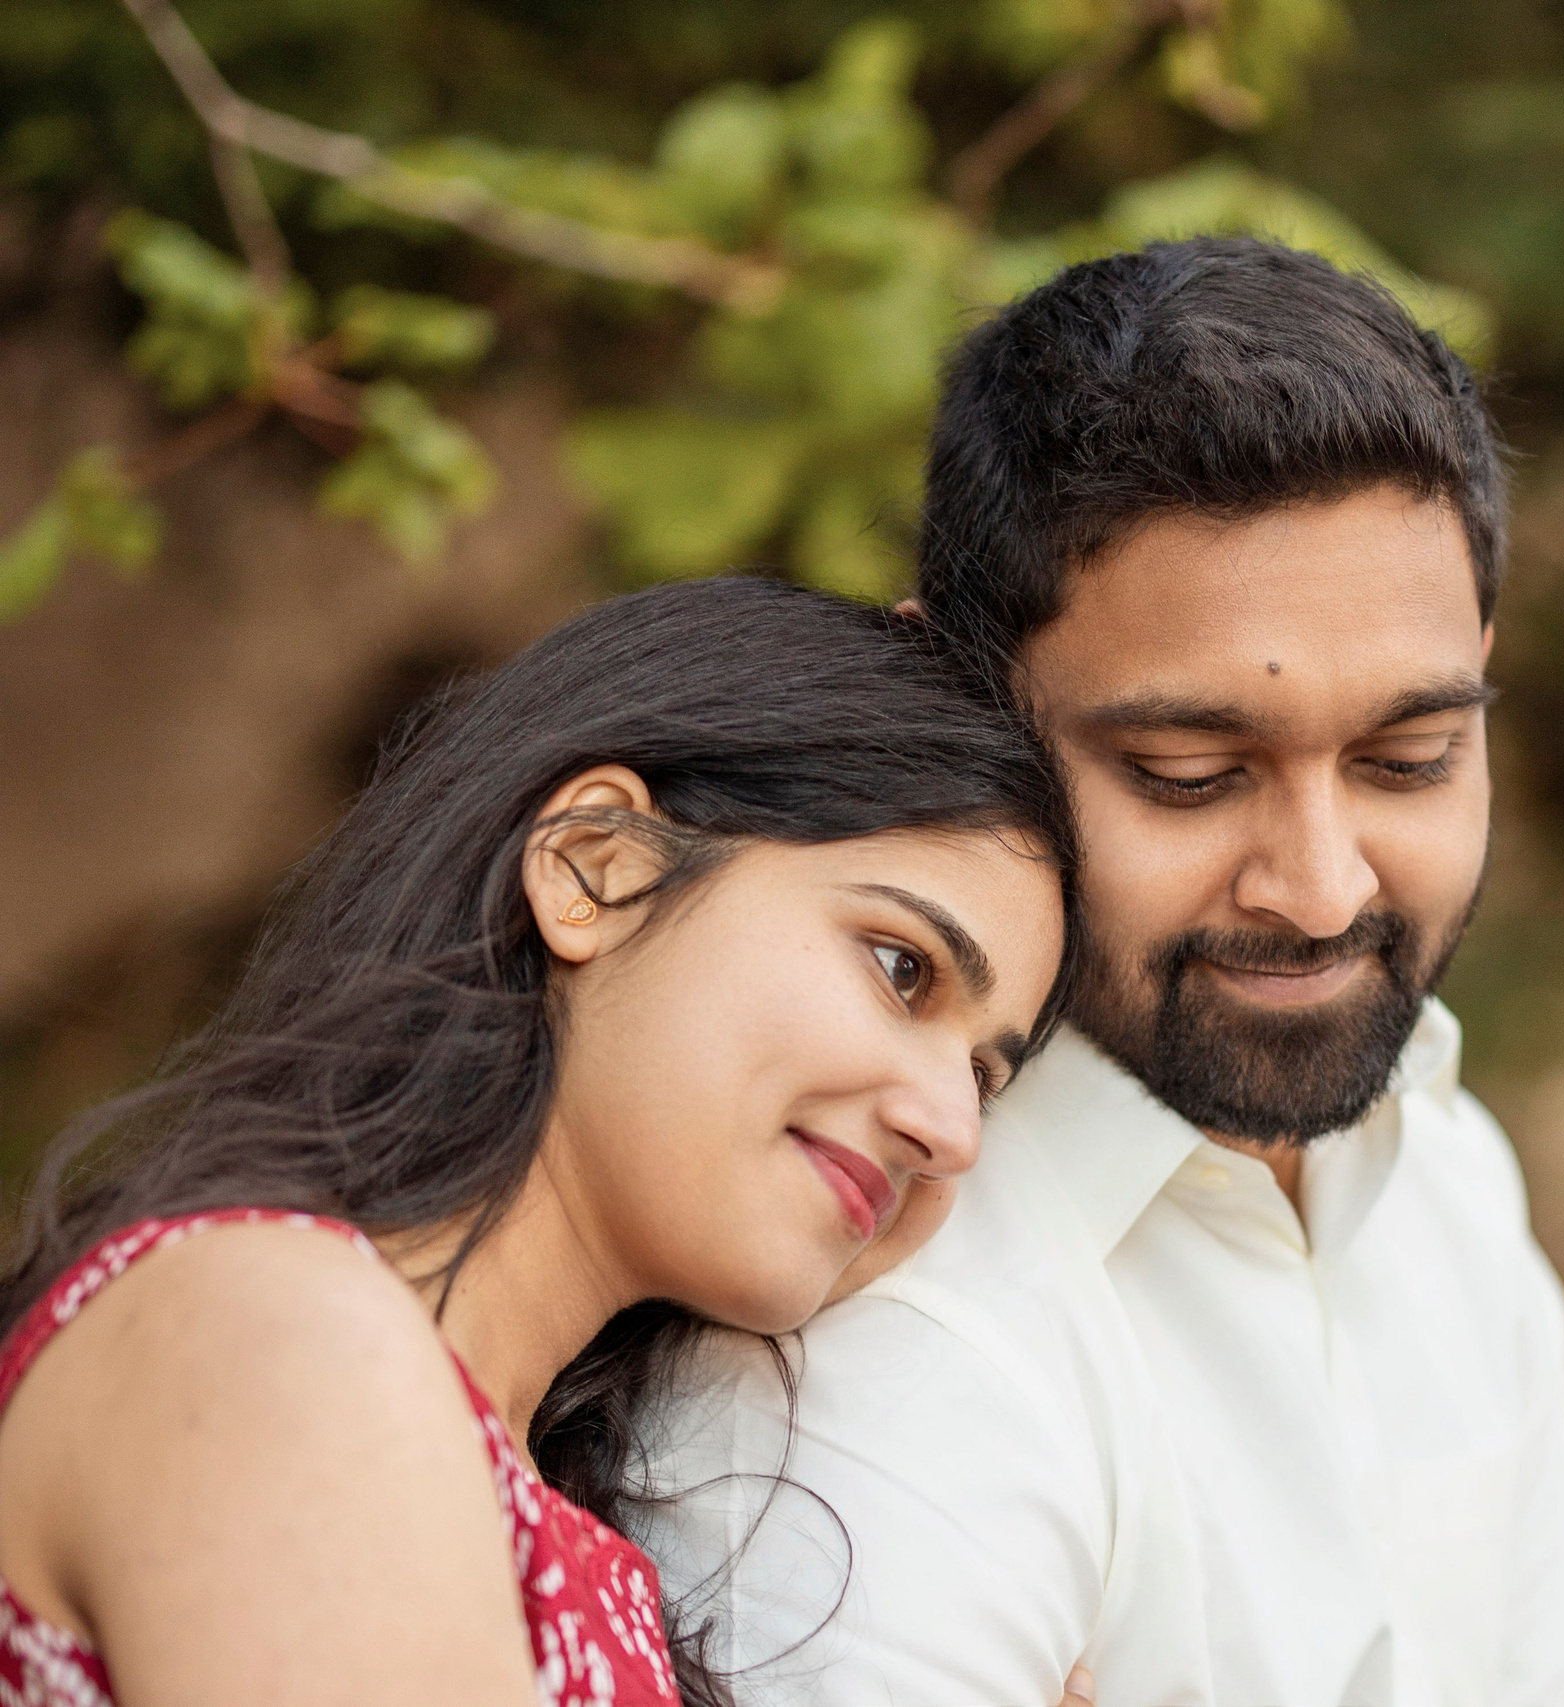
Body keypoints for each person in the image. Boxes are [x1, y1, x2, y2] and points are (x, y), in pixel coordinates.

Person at [643, 239, 1564, 1706]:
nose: (1320, 886)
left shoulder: (1444, 1171)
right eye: (1189, 774)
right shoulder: (863, 1338)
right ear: (967, 709)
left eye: (1408, 758)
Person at [0, 579, 1086, 1707]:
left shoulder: (548, 1509)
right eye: (901, 967)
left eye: (983, 1076)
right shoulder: (280, 1338)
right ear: (597, 868)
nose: (952, 1131)